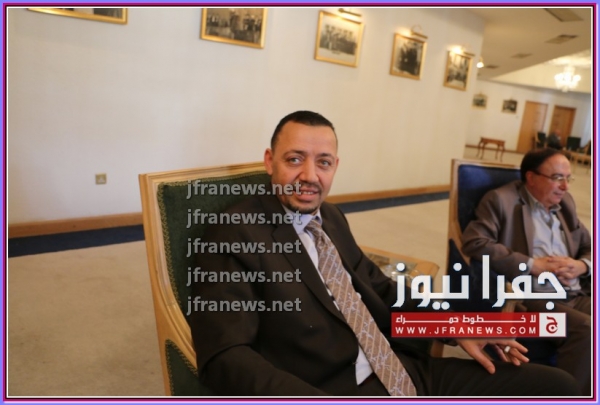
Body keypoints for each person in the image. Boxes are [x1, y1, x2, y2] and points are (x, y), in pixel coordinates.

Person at [189, 111, 580, 396]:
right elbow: (225, 355)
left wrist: (457, 325)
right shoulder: (234, 233)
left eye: (323, 162)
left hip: (401, 368)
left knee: (557, 386)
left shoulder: (331, 217)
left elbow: (383, 292)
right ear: (269, 161)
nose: (309, 175)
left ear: (335, 166)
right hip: (330, 388)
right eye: (294, 159)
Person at [462, 148, 591, 395]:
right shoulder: (501, 200)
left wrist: (582, 266)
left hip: (575, 291)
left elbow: (588, 246)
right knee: (586, 329)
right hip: (535, 295)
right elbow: (475, 242)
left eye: (568, 178)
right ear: (531, 177)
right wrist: (532, 264)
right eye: (557, 178)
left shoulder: (565, 203)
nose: (565, 186)